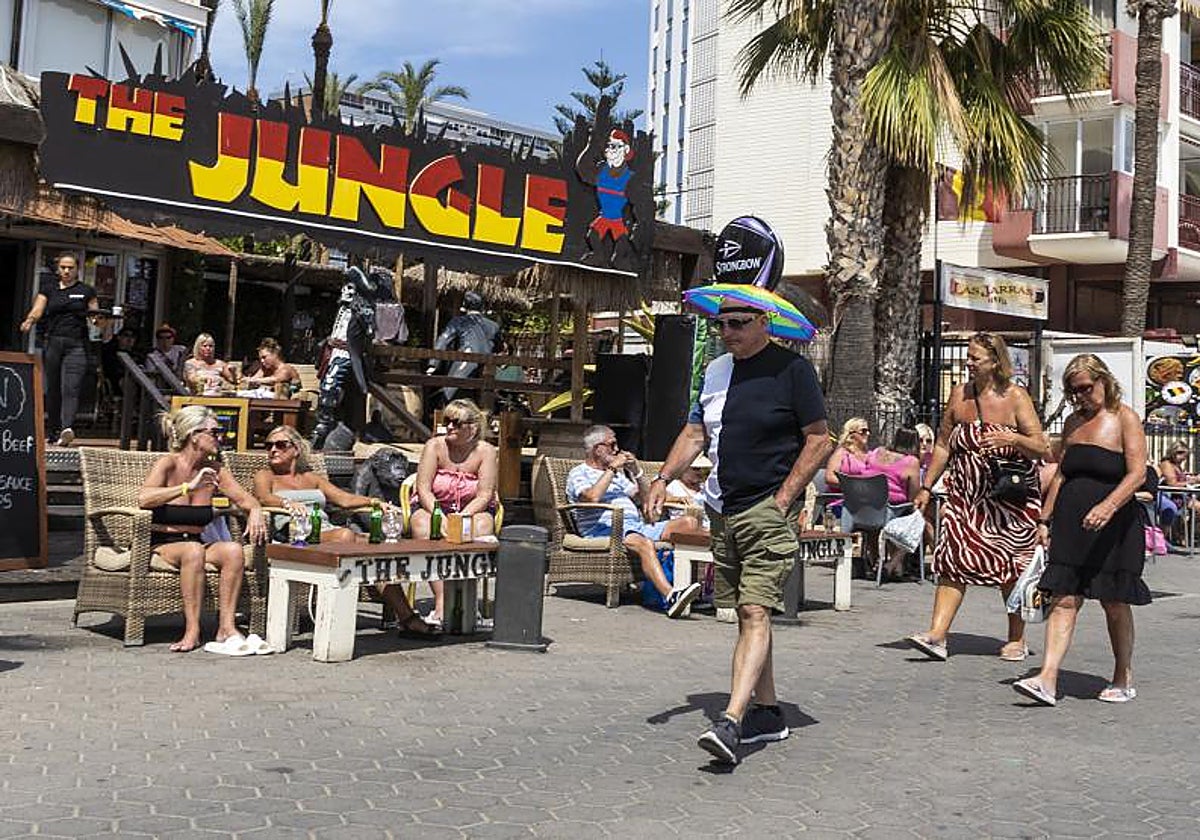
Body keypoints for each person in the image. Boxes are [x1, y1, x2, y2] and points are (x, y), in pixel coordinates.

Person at [645, 304, 831, 766]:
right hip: (723, 508)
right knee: (746, 612)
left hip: (768, 508)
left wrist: (784, 499)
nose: (727, 332)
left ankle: (731, 721)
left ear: (764, 323)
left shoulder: (792, 370)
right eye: (721, 324)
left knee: (754, 609)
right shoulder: (715, 371)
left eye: (738, 323)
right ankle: (768, 712)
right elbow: (695, 433)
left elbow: (818, 439)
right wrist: (663, 477)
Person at [1013, 355, 1151, 707]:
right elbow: (1062, 474)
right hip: (1072, 523)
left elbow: (1137, 473)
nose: (1081, 396)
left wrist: (1108, 505)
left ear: (1104, 381)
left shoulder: (1125, 418)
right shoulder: (1074, 422)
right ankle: (1047, 678)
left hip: (1115, 526)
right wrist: (1045, 520)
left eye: (1087, 388)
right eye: (1074, 391)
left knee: (1114, 601)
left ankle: (1122, 675)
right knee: (1064, 597)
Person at [908, 332, 1047, 662]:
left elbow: (1041, 446)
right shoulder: (960, 394)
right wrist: (927, 486)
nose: (968, 363)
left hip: (1008, 500)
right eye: (967, 357)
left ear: (995, 361)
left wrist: (1012, 439)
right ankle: (937, 635)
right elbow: (943, 445)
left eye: (975, 358)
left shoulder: (1015, 397)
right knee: (952, 559)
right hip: (965, 495)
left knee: (1011, 565)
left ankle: (1017, 638)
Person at [252, 426, 435, 638]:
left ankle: (406, 617)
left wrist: (374, 502)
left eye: (280, 445)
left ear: (296, 450)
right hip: (295, 534)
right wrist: (287, 503)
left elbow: (344, 499)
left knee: (376, 549)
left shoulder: (311, 478)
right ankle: (403, 619)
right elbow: (264, 497)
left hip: (325, 531)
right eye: (269, 446)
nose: (273, 450)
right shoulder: (266, 475)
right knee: (346, 536)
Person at [139, 405, 267, 653]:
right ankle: (192, 630)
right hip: (163, 543)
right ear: (194, 435)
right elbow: (144, 499)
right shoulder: (168, 463)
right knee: (193, 550)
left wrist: (256, 510)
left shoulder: (216, 470)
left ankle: (226, 627)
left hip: (196, 542)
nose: (221, 437)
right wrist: (187, 487)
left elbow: (245, 500)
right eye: (215, 432)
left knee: (233, 550)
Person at [569, 425, 702, 617]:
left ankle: (695, 588)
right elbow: (592, 497)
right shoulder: (579, 473)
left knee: (689, 523)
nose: (617, 449)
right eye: (612, 445)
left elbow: (646, 500)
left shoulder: (618, 476)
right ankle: (671, 596)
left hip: (636, 526)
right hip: (606, 529)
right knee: (644, 542)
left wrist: (637, 472)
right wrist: (613, 468)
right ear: (598, 449)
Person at [411, 399, 499, 628]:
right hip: (434, 507)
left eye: (456, 423)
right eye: (447, 421)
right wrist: (439, 516)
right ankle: (442, 601)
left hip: (472, 508)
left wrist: (461, 518)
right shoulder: (434, 446)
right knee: (423, 525)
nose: (449, 426)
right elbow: (423, 488)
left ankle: (466, 599)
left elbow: (484, 494)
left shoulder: (486, 451)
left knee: (481, 526)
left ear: (473, 427)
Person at [19, 252, 99, 446]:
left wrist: (101, 322)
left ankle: (66, 429)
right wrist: (29, 320)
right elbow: (38, 309)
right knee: (53, 387)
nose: (66, 271)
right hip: (53, 342)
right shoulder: (49, 288)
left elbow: (95, 315)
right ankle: (53, 431)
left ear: (77, 269)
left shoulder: (86, 290)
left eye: (70, 268)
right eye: (63, 267)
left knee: (71, 387)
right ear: (58, 269)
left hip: (77, 343)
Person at [425, 291, 500, 404]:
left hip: (465, 362)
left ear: (464, 305)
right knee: (484, 399)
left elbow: (443, 341)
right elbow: (498, 346)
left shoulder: (459, 321)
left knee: (448, 394)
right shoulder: (494, 326)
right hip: (487, 367)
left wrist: (433, 364)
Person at [872, 428, 924, 580]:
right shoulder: (911, 461)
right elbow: (913, 496)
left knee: (900, 521)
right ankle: (893, 564)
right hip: (892, 509)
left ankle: (896, 568)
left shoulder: (877, 452)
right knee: (918, 521)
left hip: (867, 507)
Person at [823, 417, 873, 491]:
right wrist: (853, 485)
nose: (868, 434)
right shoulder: (841, 453)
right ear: (851, 433)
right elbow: (829, 477)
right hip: (842, 495)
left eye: (868, 431)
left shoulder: (871, 455)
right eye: (863, 431)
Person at [101, 327, 140, 396]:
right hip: (116, 381)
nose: (129, 339)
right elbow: (111, 371)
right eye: (126, 335)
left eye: (133, 337)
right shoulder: (110, 353)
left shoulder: (138, 355)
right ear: (119, 337)